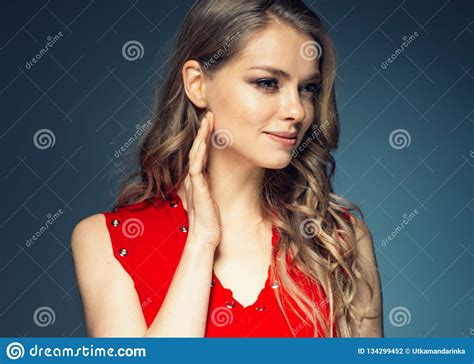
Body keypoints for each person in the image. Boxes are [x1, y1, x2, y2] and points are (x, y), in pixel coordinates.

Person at [71, 0, 383, 338]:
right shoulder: (108, 240)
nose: (296, 109)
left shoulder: (338, 240)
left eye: (307, 88)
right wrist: (202, 242)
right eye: (267, 83)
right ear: (197, 84)